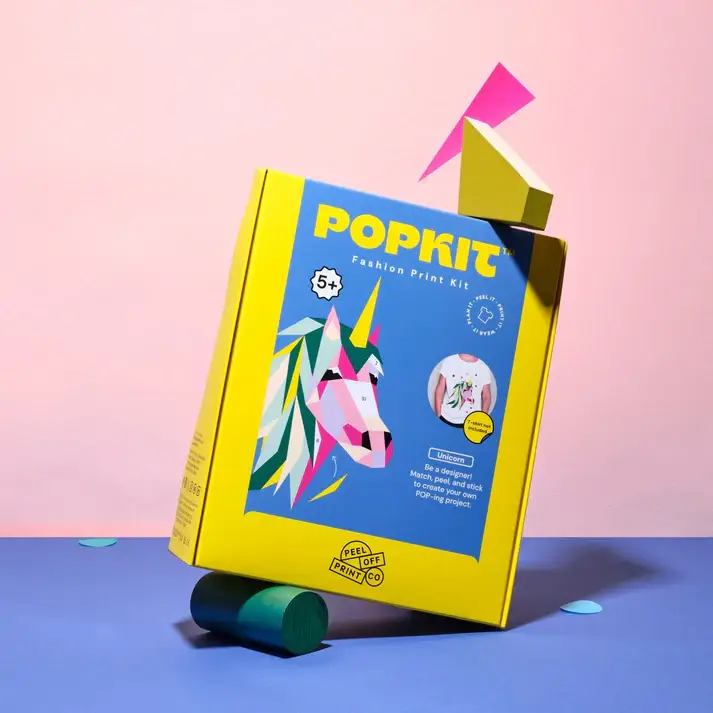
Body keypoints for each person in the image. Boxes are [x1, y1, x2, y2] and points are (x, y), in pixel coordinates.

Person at [433, 354, 493, 427]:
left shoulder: (483, 366)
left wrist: (483, 420)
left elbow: (486, 395)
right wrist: (438, 415)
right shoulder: (449, 360)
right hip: (446, 417)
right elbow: (440, 389)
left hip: (472, 422)